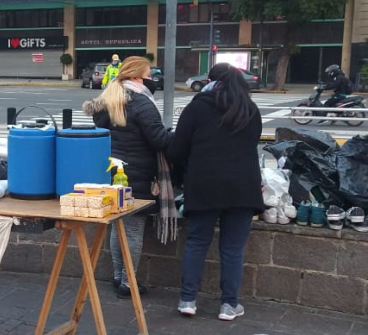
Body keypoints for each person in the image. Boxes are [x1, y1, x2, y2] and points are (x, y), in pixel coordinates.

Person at [169, 62, 263, 320]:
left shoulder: (197, 107)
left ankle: (188, 300)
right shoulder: (249, 108)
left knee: (197, 242)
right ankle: (229, 305)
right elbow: (253, 143)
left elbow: (177, 149)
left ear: (210, 80)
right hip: (243, 187)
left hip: (204, 185)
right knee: (232, 248)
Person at [83, 56, 176, 300]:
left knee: (118, 227)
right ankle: (127, 281)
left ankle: (117, 276)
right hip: (137, 174)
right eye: (149, 76)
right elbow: (160, 140)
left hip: (113, 173)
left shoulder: (110, 99)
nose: (152, 80)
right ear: (136, 77)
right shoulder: (141, 103)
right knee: (133, 230)